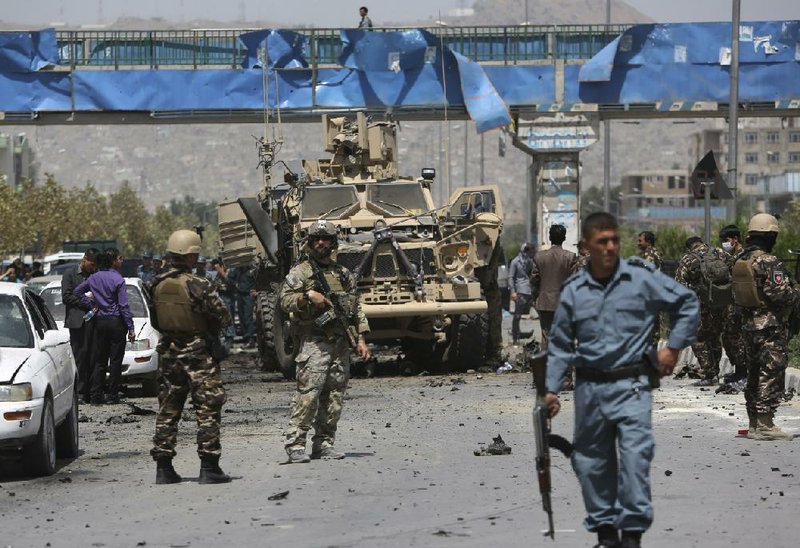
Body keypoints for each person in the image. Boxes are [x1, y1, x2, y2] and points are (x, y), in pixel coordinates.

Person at [545, 212, 698, 548]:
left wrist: (672, 349)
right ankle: (605, 535)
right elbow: (558, 344)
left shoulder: (641, 279)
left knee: (634, 461)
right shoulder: (574, 291)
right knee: (591, 464)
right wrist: (551, 389)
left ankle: (631, 537)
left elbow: (686, 303)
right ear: (586, 246)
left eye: (615, 239)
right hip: (590, 391)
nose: (611, 247)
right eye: (603, 241)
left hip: (633, 387)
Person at [280, 220, 370, 464]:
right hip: (314, 342)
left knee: (334, 397)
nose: (321, 243)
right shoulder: (301, 272)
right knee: (308, 395)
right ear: (310, 243)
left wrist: (360, 339)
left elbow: (355, 308)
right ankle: (295, 444)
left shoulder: (342, 274)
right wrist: (307, 296)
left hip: (340, 343)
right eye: (317, 239)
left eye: (326, 239)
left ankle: (324, 443)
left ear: (333, 243)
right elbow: (284, 300)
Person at [148, 229, 233, 484]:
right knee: (207, 408)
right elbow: (223, 316)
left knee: (168, 409)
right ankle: (209, 467)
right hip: (198, 355)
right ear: (192, 255)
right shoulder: (199, 284)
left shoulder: (155, 283)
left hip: (169, 354)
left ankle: (163, 468)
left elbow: (155, 319)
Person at [733, 213, 799, 440]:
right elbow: (782, 295)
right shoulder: (769, 261)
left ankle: (753, 423)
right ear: (771, 235)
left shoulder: (742, 259)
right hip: (769, 326)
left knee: (754, 373)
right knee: (771, 371)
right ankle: (765, 425)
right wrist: (796, 290)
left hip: (749, 325)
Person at [74, 248, 135, 404]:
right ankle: (112, 396)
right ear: (111, 262)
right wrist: (130, 327)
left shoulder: (93, 278)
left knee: (99, 360)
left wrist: (92, 304)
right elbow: (123, 305)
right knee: (115, 361)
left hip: (100, 322)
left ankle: (96, 396)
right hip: (116, 323)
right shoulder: (118, 279)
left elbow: (77, 291)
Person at [674, 236, 728, 385]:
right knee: (715, 336)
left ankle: (710, 374)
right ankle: (715, 370)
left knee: (697, 338)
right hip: (720, 304)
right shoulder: (719, 252)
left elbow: (680, 284)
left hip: (700, 305)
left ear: (689, 247)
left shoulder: (688, 259)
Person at [61, 248, 99, 404]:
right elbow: (66, 296)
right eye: (91, 264)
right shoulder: (70, 274)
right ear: (84, 259)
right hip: (77, 322)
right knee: (80, 357)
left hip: (94, 322)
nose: (92, 267)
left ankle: (91, 392)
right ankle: (79, 393)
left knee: (93, 357)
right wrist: (85, 301)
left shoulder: (95, 276)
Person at [531, 224, 577, 351]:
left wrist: (535, 299)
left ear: (550, 237)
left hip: (545, 303)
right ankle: (565, 368)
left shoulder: (539, 257)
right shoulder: (570, 257)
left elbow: (534, 281)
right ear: (564, 238)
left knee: (546, 336)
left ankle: (546, 367)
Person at [716, 224, 748, 392]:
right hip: (732, 304)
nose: (724, 243)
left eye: (726, 240)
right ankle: (739, 372)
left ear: (735, 239)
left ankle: (744, 374)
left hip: (741, 305)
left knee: (739, 340)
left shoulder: (743, 256)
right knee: (730, 339)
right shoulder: (735, 256)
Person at [475, 240, 505, 367]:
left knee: (492, 321)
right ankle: (492, 353)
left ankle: (493, 354)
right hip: (486, 286)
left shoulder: (492, 240)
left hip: (488, 287)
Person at [507, 243, 535, 344]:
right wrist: (513, 292)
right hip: (520, 291)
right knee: (517, 316)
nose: (530, 253)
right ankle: (515, 337)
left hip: (530, 290)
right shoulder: (515, 261)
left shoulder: (530, 261)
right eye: (529, 251)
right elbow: (510, 277)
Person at [228, 265, 256, 347]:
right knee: (241, 317)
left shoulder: (252, 269)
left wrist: (255, 290)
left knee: (248, 317)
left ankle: (250, 339)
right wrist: (235, 284)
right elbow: (229, 279)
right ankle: (246, 338)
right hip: (240, 295)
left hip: (248, 295)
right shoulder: (237, 269)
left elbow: (257, 280)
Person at [211, 258, 236, 347]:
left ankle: (230, 337)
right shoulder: (218, 274)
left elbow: (232, 284)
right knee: (223, 317)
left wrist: (222, 273)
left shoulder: (230, 272)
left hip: (228, 296)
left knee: (229, 317)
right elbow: (215, 284)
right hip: (221, 296)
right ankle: (226, 336)